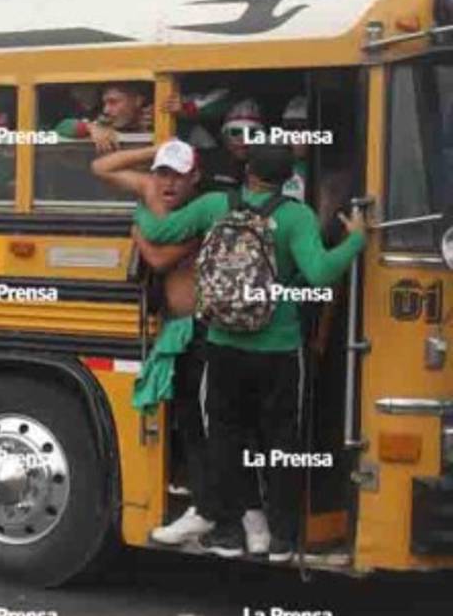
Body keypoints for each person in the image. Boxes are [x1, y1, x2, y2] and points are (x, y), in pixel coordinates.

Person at [136, 143, 366, 562]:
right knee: (280, 440)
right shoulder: (296, 216)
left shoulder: (215, 204)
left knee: (224, 439)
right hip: (279, 349)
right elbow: (319, 273)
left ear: (248, 172)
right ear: (288, 177)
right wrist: (356, 242)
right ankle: (281, 540)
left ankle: (228, 534)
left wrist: (139, 214)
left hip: (223, 344)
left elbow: (158, 232)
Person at [92, 139, 224, 545]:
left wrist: (140, 234)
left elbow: (162, 260)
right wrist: (153, 151)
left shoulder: (202, 214)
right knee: (184, 419)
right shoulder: (152, 189)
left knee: (206, 423)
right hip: (174, 329)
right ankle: (199, 496)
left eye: (178, 174)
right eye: (163, 173)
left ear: (195, 177)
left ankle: (211, 508)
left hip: (201, 329)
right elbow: (102, 167)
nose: (168, 183)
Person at [54, 82, 153, 154]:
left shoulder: (157, 121)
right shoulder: (102, 125)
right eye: (105, 103)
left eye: (113, 102)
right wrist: (90, 128)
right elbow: (62, 126)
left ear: (138, 101)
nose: (106, 110)